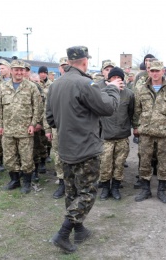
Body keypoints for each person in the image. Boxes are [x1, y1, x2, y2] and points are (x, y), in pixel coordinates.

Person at [46, 46, 121, 253]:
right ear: (85, 62)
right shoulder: (84, 83)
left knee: (72, 192)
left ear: (69, 61)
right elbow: (108, 108)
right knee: (87, 192)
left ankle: (79, 230)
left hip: (66, 148)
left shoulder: (55, 85)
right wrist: (113, 88)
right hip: (86, 148)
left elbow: (51, 118)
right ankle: (63, 233)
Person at [133, 61, 166, 204]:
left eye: (157, 71)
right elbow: (137, 110)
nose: (155, 73)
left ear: (163, 71)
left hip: (164, 133)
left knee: (163, 162)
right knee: (145, 161)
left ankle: (161, 190)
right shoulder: (141, 89)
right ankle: (145, 190)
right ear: (149, 72)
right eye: (152, 71)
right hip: (146, 132)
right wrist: (136, 126)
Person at [0, 60, 41, 194]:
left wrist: (33, 124)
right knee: (9, 158)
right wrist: (0, 125)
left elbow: (37, 108)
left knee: (26, 158)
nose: (19, 72)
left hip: (25, 129)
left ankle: (27, 182)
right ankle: (14, 180)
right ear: (11, 70)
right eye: (16, 69)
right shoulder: (3, 87)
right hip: (8, 129)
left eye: (21, 70)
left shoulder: (31, 87)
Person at [97, 67, 135, 201]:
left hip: (122, 136)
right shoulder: (102, 93)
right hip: (106, 137)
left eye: (119, 78)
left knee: (119, 164)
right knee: (105, 164)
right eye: (113, 78)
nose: (116, 80)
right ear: (109, 79)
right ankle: (106, 188)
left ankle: (116, 188)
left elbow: (131, 113)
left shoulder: (129, 94)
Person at [45, 56, 69, 199]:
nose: (65, 68)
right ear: (59, 68)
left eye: (67, 65)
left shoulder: (78, 84)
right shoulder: (53, 86)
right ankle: (62, 182)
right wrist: (48, 129)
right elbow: (47, 110)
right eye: (62, 65)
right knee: (59, 156)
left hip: (74, 129)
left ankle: (73, 183)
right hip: (57, 128)